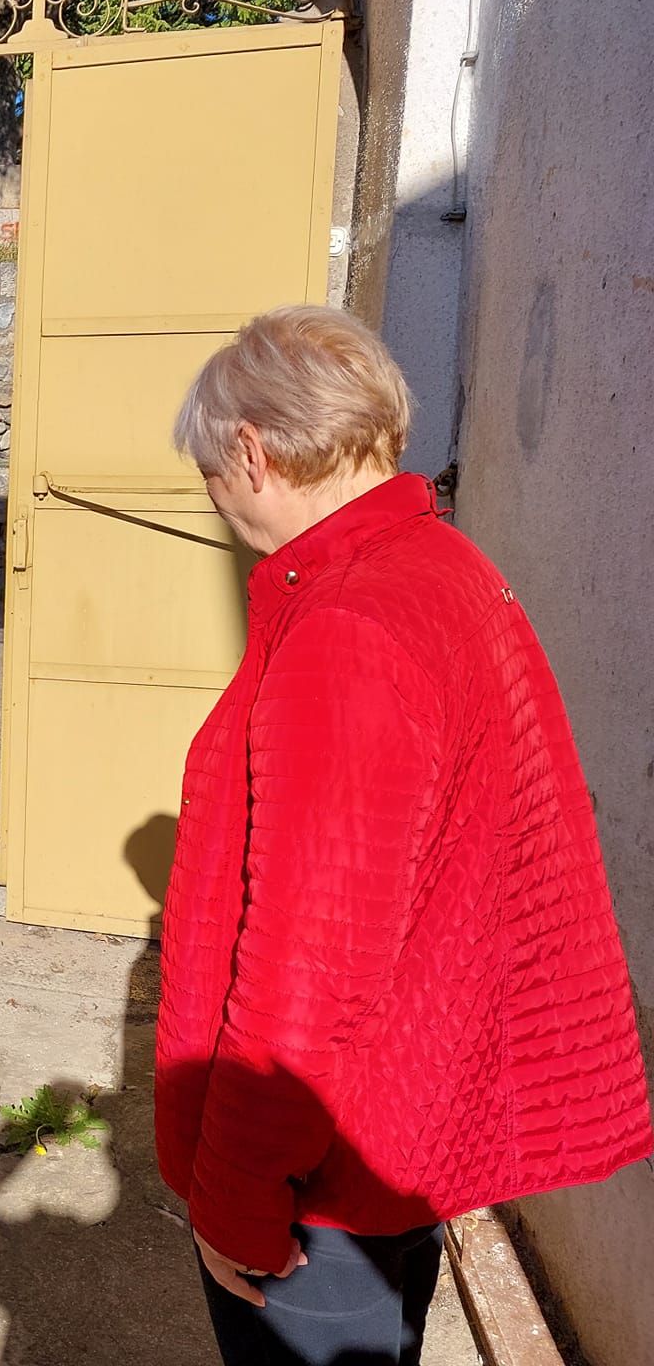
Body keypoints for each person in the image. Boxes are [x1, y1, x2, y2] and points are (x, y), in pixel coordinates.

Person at [155, 306, 651, 1366]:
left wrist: (236, 1196)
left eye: (208, 472)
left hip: (324, 1182)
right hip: (395, 1126)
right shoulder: (441, 567)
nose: (215, 499)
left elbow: (306, 967)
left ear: (252, 451)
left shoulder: (346, 627)